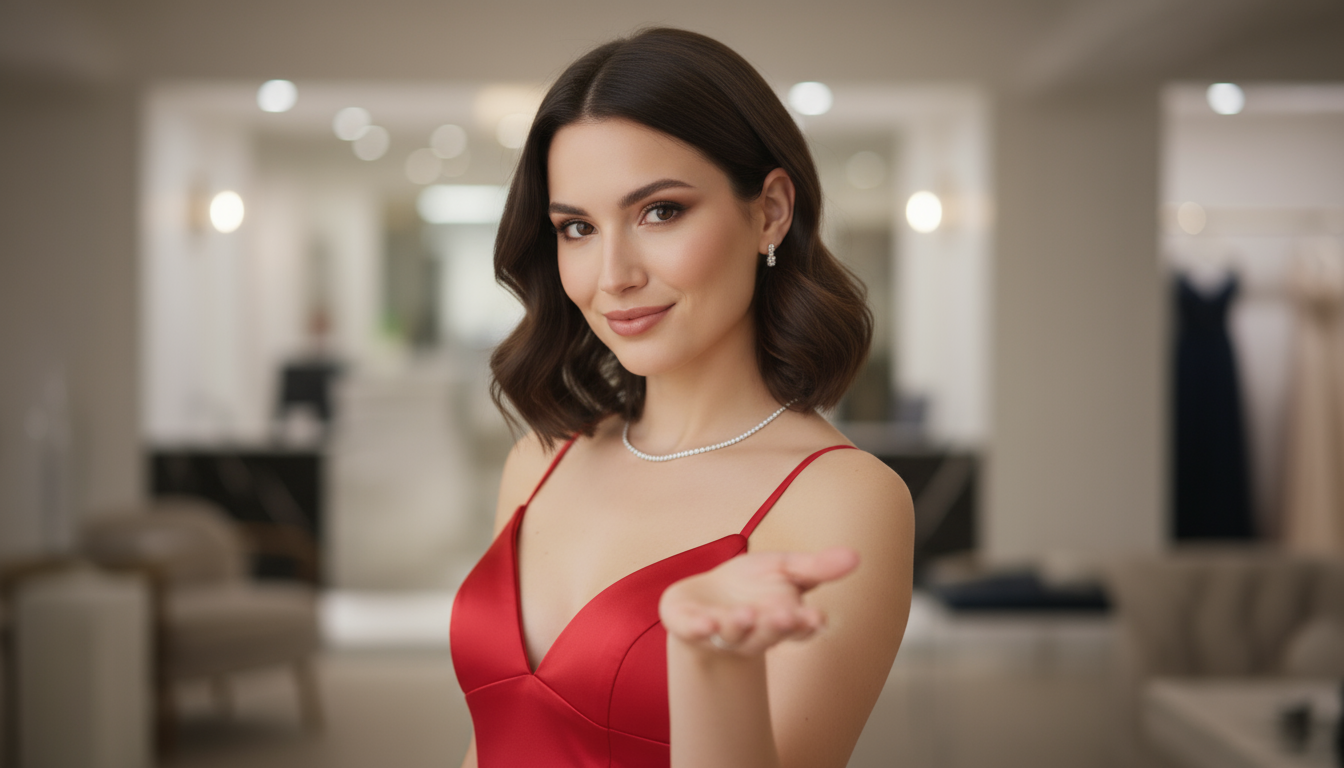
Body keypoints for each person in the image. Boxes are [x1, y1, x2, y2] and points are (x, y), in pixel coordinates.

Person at [450, 27, 914, 768]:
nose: (614, 275)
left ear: (769, 211)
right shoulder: (540, 460)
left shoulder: (842, 499)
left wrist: (712, 662)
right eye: (576, 227)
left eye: (659, 211)